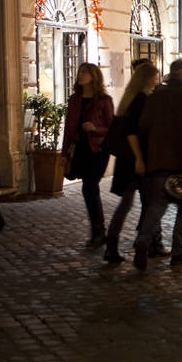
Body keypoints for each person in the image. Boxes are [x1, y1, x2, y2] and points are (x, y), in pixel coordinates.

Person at [133, 60, 182, 270]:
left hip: (158, 159)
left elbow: (143, 124)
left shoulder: (156, 95)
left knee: (156, 206)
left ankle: (143, 239)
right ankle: (178, 251)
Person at [105, 62, 159, 263]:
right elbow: (132, 132)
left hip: (128, 161)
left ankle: (115, 245)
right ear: (147, 78)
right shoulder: (140, 100)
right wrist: (139, 159)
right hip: (135, 161)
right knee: (143, 204)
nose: (157, 80)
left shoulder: (130, 99)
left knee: (130, 204)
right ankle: (140, 246)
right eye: (155, 76)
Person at [62, 63, 115, 248]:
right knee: (89, 188)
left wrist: (96, 128)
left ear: (94, 76)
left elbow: (112, 128)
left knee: (90, 187)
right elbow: (68, 129)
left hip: (98, 149)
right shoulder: (75, 99)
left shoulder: (103, 100)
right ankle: (98, 232)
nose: (80, 75)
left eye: (84, 72)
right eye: (80, 72)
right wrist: (64, 152)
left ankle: (99, 232)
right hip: (80, 148)